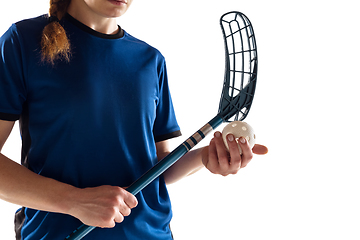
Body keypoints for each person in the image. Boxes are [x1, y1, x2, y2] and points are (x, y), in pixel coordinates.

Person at [0, 0, 268, 239]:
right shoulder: (22, 42)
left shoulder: (150, 60)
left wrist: (206, 157)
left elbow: (159, 166)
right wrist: (73, 201)